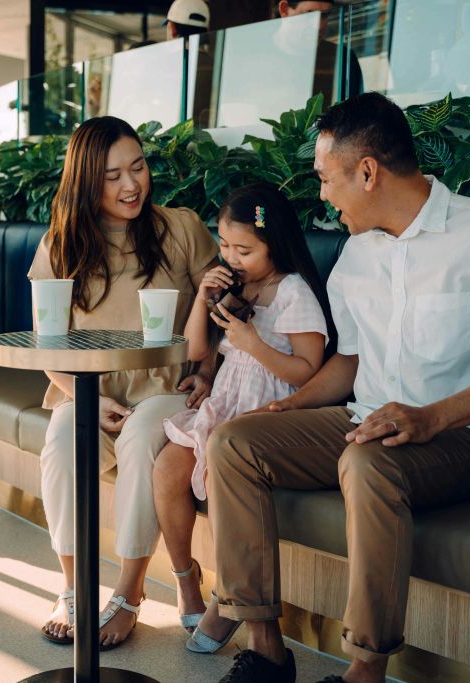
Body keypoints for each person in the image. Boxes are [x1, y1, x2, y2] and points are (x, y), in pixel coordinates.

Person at [202, 92, 470, 683]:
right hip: (365, 420)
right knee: (235, 441)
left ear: (367, 172)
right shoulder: (356, 255)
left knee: (366, 462)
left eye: (324, 178)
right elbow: (349, 362)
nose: (320, 195)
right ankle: (266, 651)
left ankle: (364, 670)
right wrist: (289, 405)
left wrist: (430, 417)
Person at [29, 116, 218, 650]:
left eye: (138, 167)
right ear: (87, 180)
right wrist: (82, 394)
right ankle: (71, 588)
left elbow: (223, 310)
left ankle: (129, 594)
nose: (131, 185)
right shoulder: (60, 245)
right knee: (63, 436)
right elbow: (48, 346)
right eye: (113, 175)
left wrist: (206, 371)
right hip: (90, 390)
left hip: (170, 392)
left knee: (141, 439)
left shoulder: (180, 228)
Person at [152, 183, 332, 648]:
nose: (232, 257)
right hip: (228, 401)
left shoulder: (293, 292)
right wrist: (200, 296)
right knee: (169, 468)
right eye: (225, 245)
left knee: (220, 475)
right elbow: (195, 349)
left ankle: (226, 596)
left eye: (245, 249)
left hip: (272, 408)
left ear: (277, 243)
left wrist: (255, 344)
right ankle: (186, 578)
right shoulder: (234, 283)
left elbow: (308, 372)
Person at [278, 0, 364, 99]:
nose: (318, 26)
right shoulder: (258, 50)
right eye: (309, 14)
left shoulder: (341, 57)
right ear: (284, 10)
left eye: (325, 15)